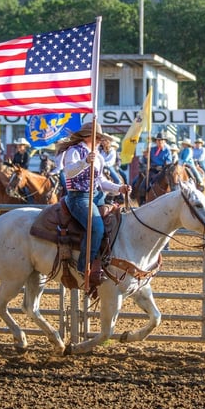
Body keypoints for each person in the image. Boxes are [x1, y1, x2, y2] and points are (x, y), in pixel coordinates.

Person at [56, 122, 130, 292]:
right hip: (78, 197)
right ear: (89, 137)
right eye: (98, 137)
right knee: (96, 226)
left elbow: (101, 181)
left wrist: (119, 188)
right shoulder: (74, 151)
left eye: (101, 138)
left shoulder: (98, 156)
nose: (100, 141)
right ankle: (84, 266)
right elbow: (69, 172)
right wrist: (85, 162)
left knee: (116, 221)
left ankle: (106, 260)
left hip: (96, 196)